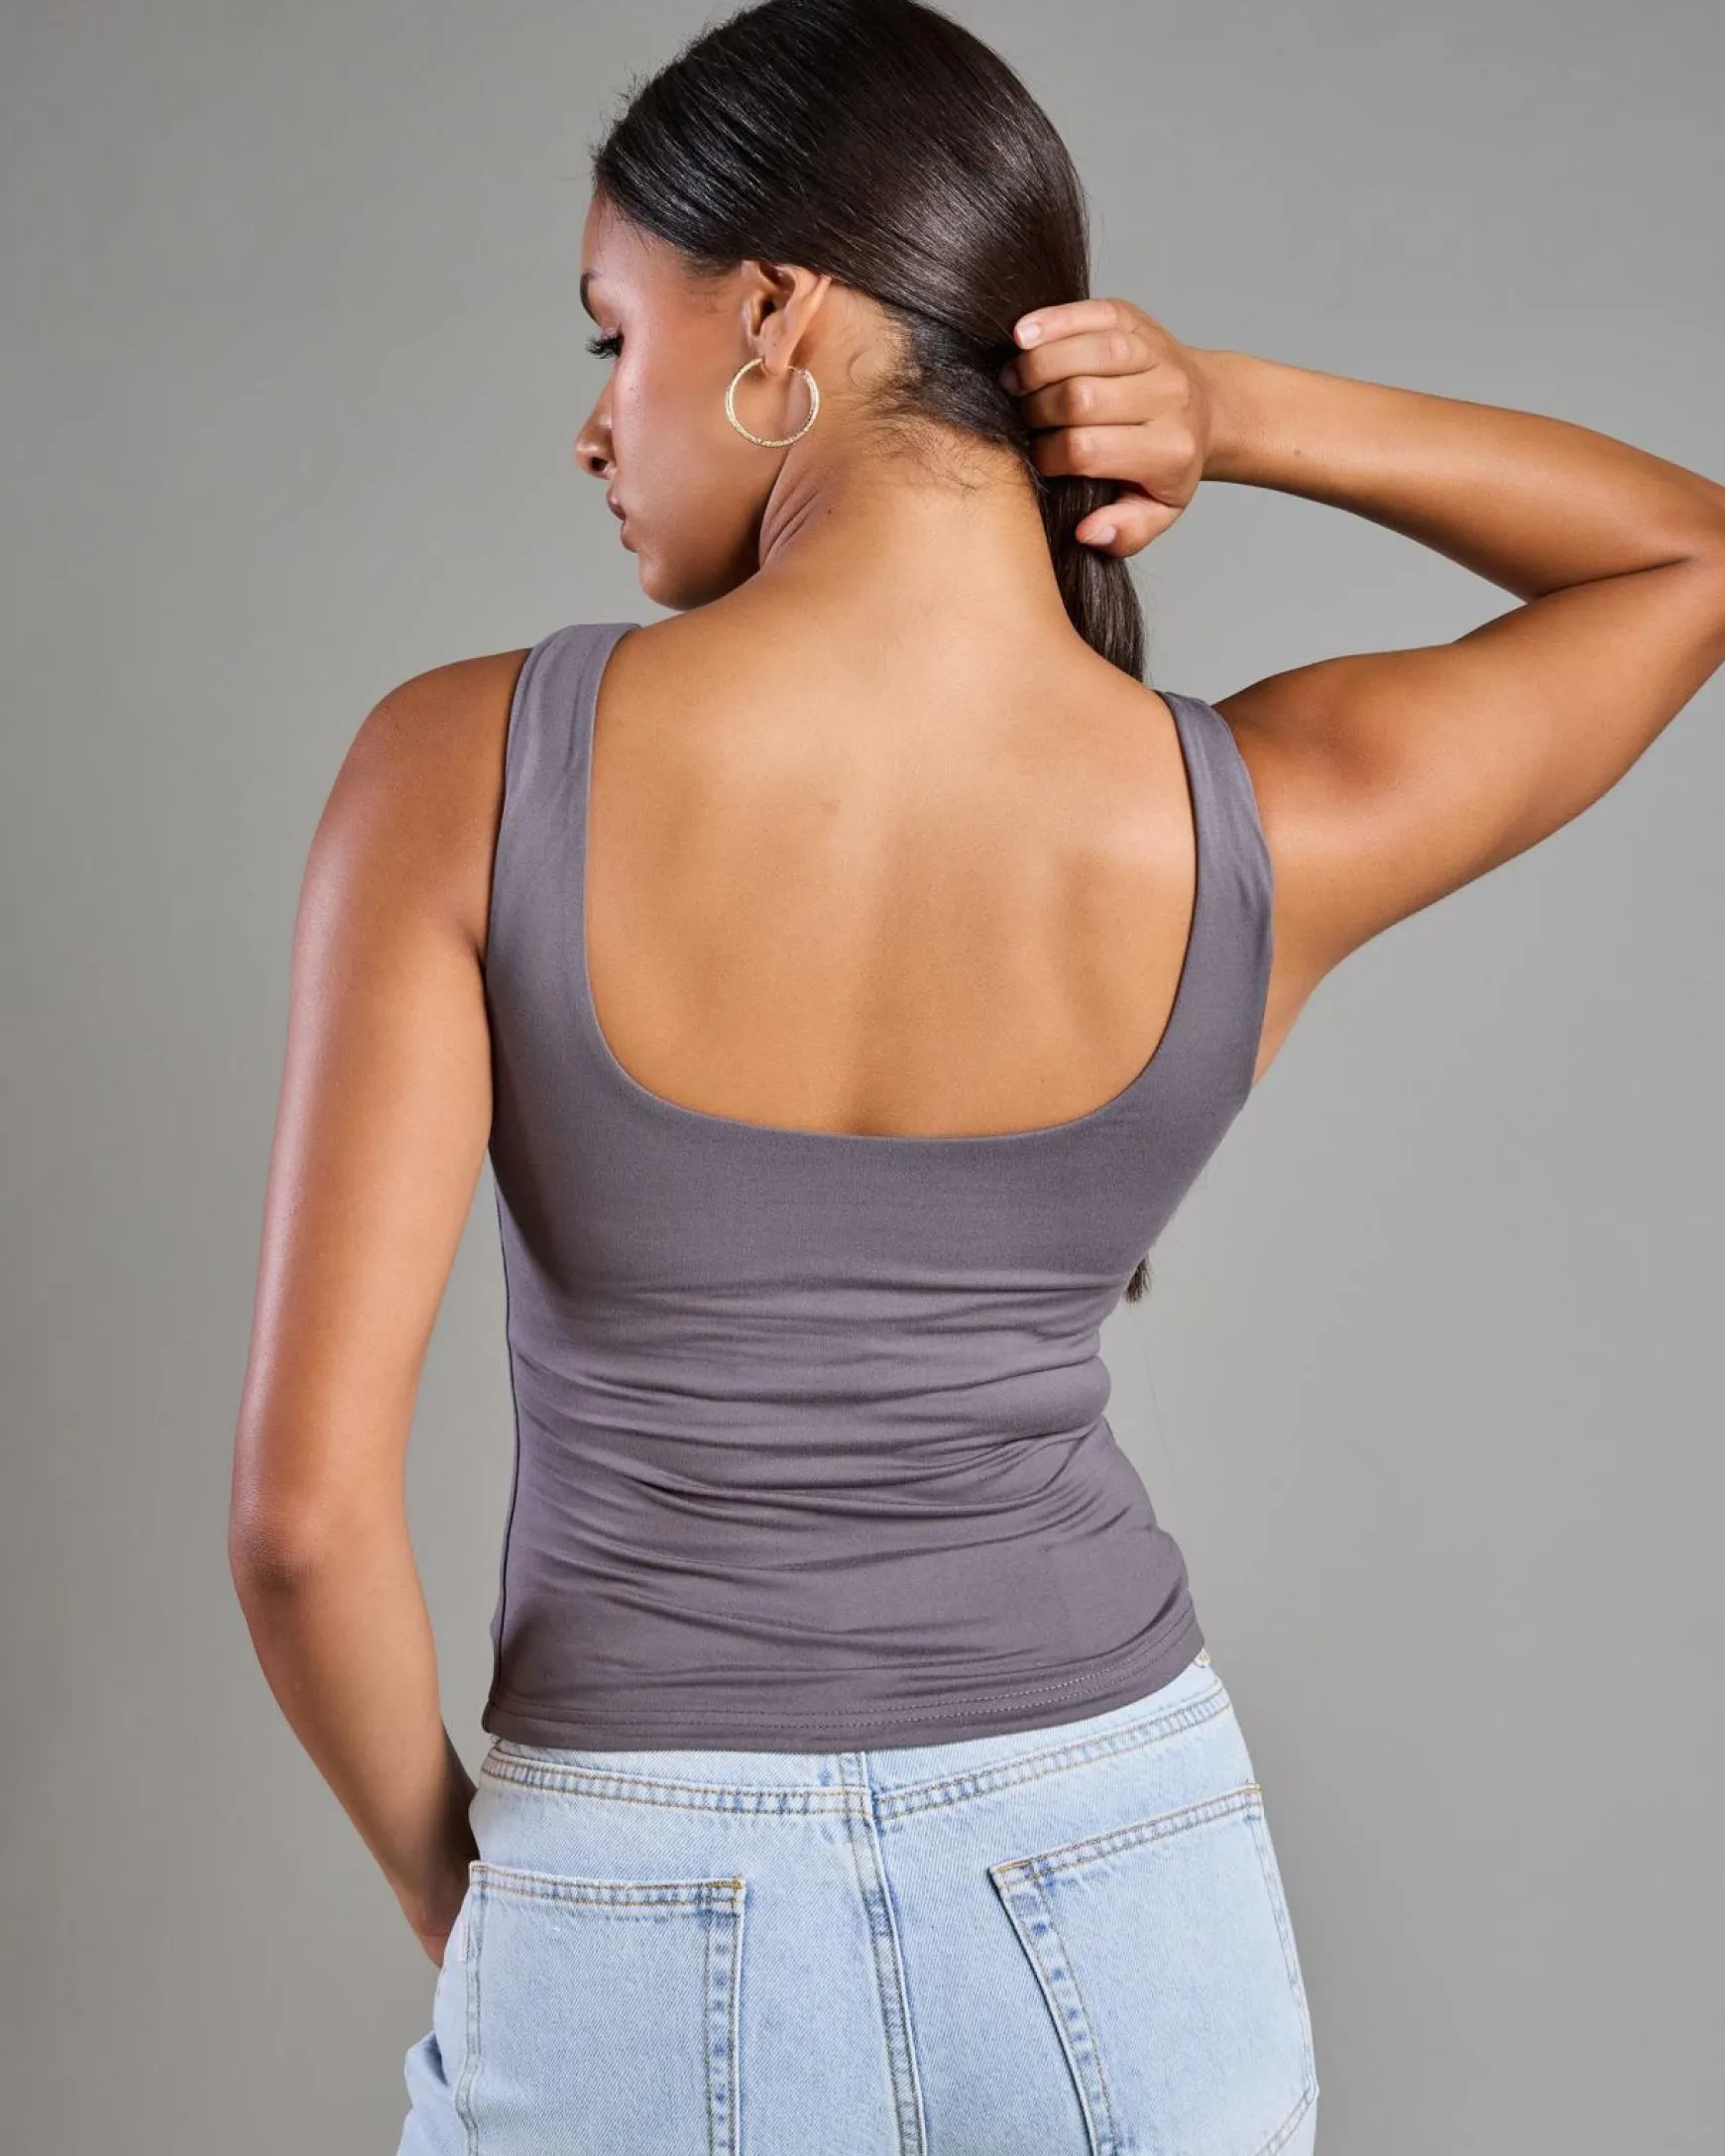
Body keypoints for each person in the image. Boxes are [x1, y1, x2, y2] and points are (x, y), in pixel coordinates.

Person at [226, 3, 1725, 2151]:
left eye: (611, 337)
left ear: (775, 317)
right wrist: (1237, 412)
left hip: (637, 1868)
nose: (593, 427)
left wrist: (491, 1909)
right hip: (1127, 1875)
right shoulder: (1254, 820)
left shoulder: (465, 769)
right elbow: (1688, 556)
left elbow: (299, 1526)